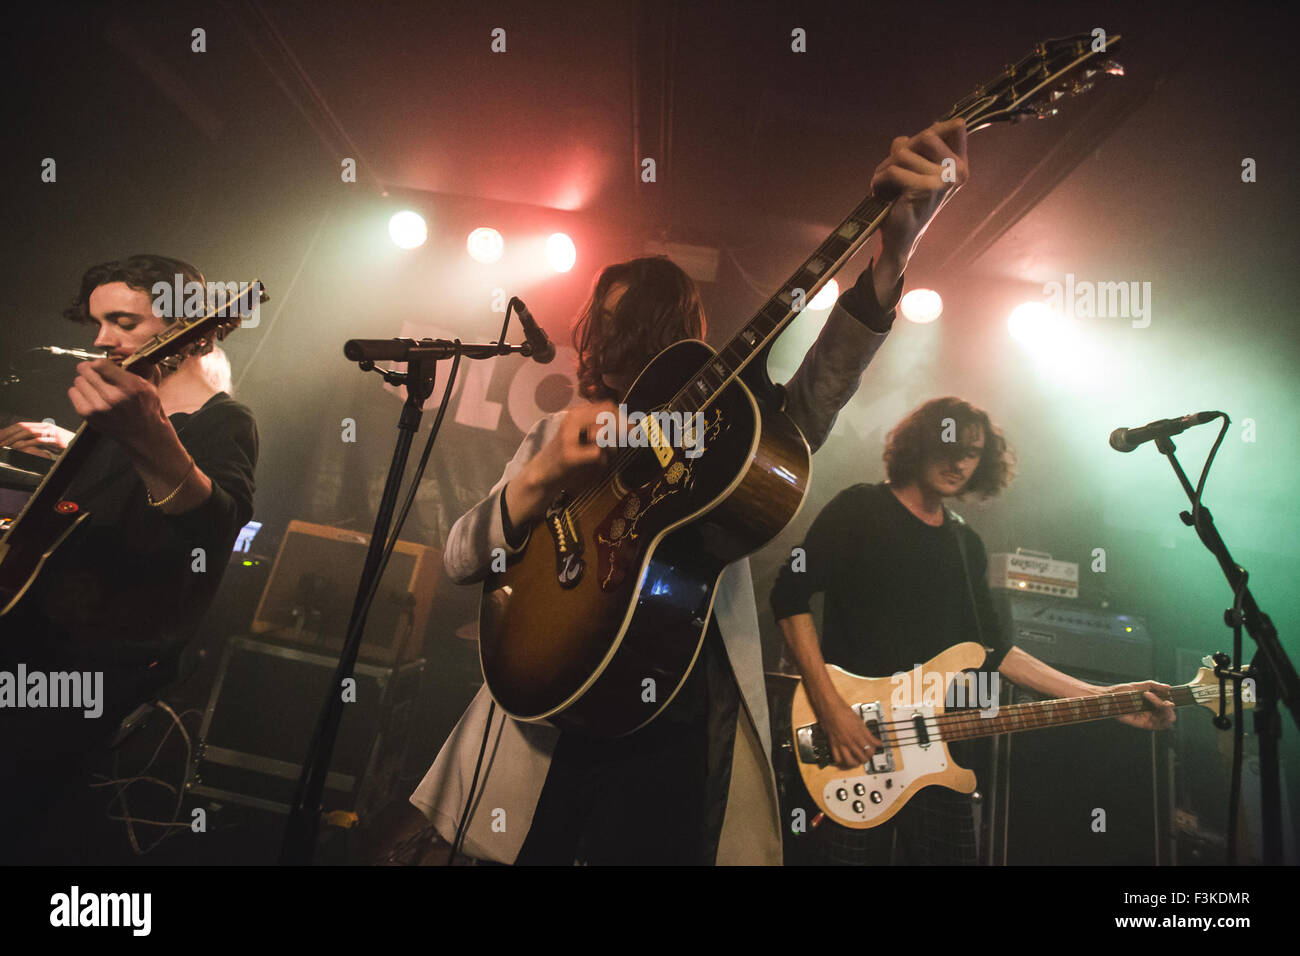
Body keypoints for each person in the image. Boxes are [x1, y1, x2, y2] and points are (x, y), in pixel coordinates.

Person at [409, 119, 972, 865]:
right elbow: (457, 558)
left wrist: (893, 254)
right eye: (597, 322)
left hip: (677, 717)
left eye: (625, 327)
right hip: (554, 713)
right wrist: (540, 478)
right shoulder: (558, 433)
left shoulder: (726, 432)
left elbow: (820, 389)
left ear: (668, 340)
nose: (602, 342)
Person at [769, 396, 1177, 865]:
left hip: (937, 753)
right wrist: (831, 708)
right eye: (949, 444)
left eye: (972, 452)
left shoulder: (965, 544)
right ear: (918, 443)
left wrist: (1104, 698)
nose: (959, 461)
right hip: (854, 743)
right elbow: (789, 596)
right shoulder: (860, 508)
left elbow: (994, 652)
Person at [0, 254, 258, 861]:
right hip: (36, 643)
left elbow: (212, 525)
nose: (101, 340)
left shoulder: (224, 422)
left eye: (123, 321)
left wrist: (144, 434)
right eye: (98, 323)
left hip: (85, 670)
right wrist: (64, 451)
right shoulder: (109, 430)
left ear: (194, 331)